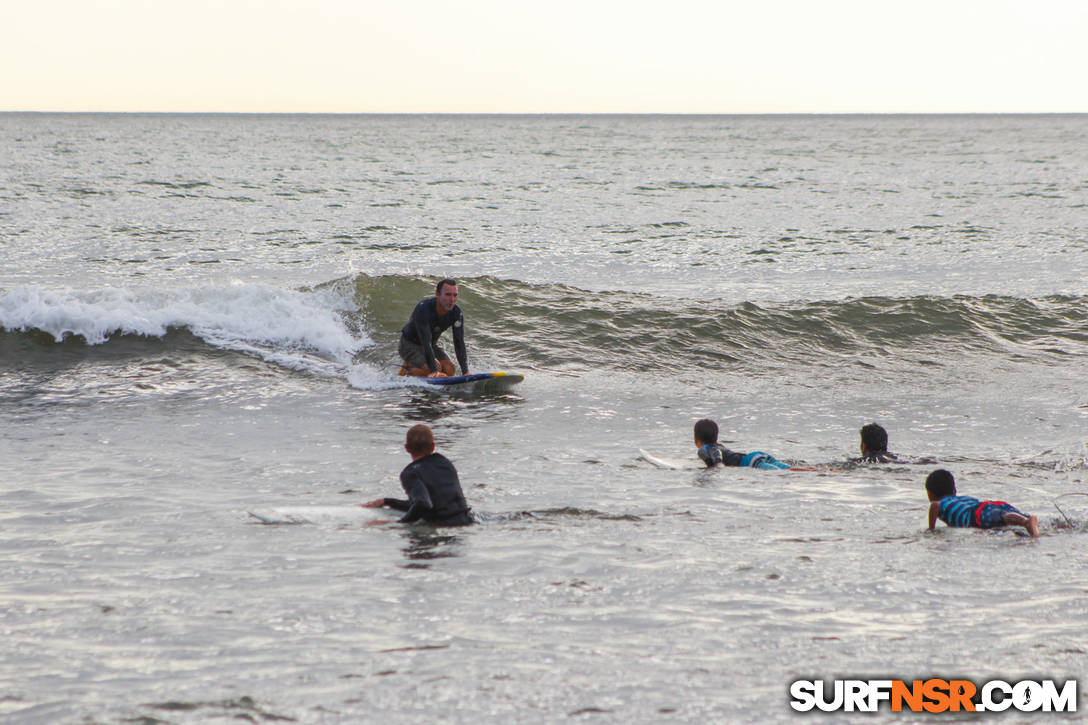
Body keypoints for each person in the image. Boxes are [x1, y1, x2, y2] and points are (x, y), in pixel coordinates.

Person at [363, 424, 474, 526]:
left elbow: (423, 504)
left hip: (443, 526)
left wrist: (398, 524)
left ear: (407, 448)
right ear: (433, 446)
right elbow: (432, 503)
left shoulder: (410, 473)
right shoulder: (445, 463)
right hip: (467, 521)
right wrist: (387, 502)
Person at [925, 468, 1039, 538]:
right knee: (1004, 518)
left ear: (930, 494)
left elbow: (935, 505)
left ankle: (1025, 522)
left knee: (1002, 518)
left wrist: (931, 529)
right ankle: (1029, 522)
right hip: (988, 505)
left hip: (976, 514)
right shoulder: (960, 499)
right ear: (954, 490)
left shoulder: (941, 503)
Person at [398, 278, 468, 378]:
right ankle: (409, 368)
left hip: (431, 345)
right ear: (438, 294)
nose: (452, 300)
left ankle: (424, 367)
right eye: (448, 295)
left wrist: (465, 372)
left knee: (450, 370)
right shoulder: (424, 309)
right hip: (409, 345)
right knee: (430, 370)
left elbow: (459, 342)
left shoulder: (456, 313)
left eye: (455, 295)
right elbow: (425, 341)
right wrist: (434, 371)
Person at [693, 418, 813, 471]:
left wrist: (719, 467)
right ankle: (817, 469)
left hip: (753, 462)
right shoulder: (718, 445)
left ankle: (818, 471)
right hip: (756, 457)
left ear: (696, 440)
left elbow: (717, 457)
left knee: (787, 472)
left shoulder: (705, 449)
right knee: (789, 469)